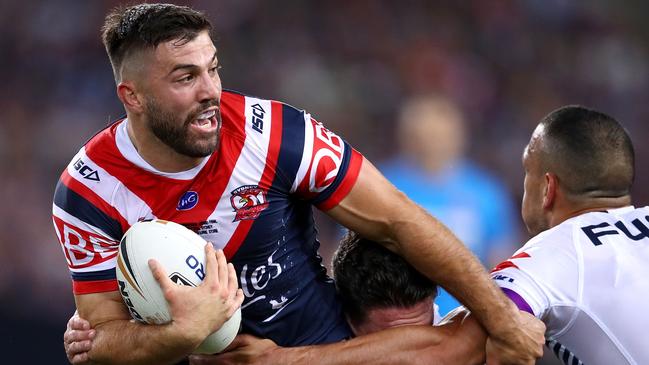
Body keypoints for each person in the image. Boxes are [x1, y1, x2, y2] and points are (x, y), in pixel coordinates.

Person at [55, 3, 542, 364]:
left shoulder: (277, 135)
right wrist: (183, 333)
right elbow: (100, 341)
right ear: (132, 96)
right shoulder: (86, 192)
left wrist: (502, 319)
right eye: (185, 77)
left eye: (213, 69)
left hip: (324, 345)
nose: (209, 92)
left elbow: (398, 219)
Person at [189, 105, 645, 365]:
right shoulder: (391, 181)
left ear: (547, 188)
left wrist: (281, 361)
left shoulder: (553, 256)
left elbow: (453, 346)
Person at [380, 95, 518, 315]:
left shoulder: (486, 192)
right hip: (397, 320)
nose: (432, 142)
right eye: (423, 134)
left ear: (459, 136)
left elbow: (502, 266)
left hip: (465, 322)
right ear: (406, 137)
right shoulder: (382, 186)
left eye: (439, 135)